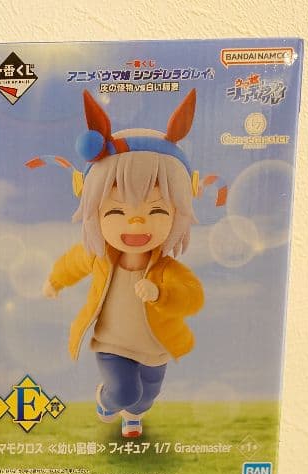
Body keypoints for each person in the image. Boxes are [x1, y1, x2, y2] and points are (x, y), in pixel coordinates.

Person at [44, 90, 203, 438]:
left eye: (156, 210)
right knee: (126, 390)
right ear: (95, 212)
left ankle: (133, 416)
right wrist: (55, 281)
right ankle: (109, 399)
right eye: (116, 211)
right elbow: (73, 263)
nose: (136, 223)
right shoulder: (101, 257)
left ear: (178, 212)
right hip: (112, 343)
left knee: (147, 395)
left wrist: (160, 293)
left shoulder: (167, 269)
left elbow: (191, 297)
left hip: (156, 347)